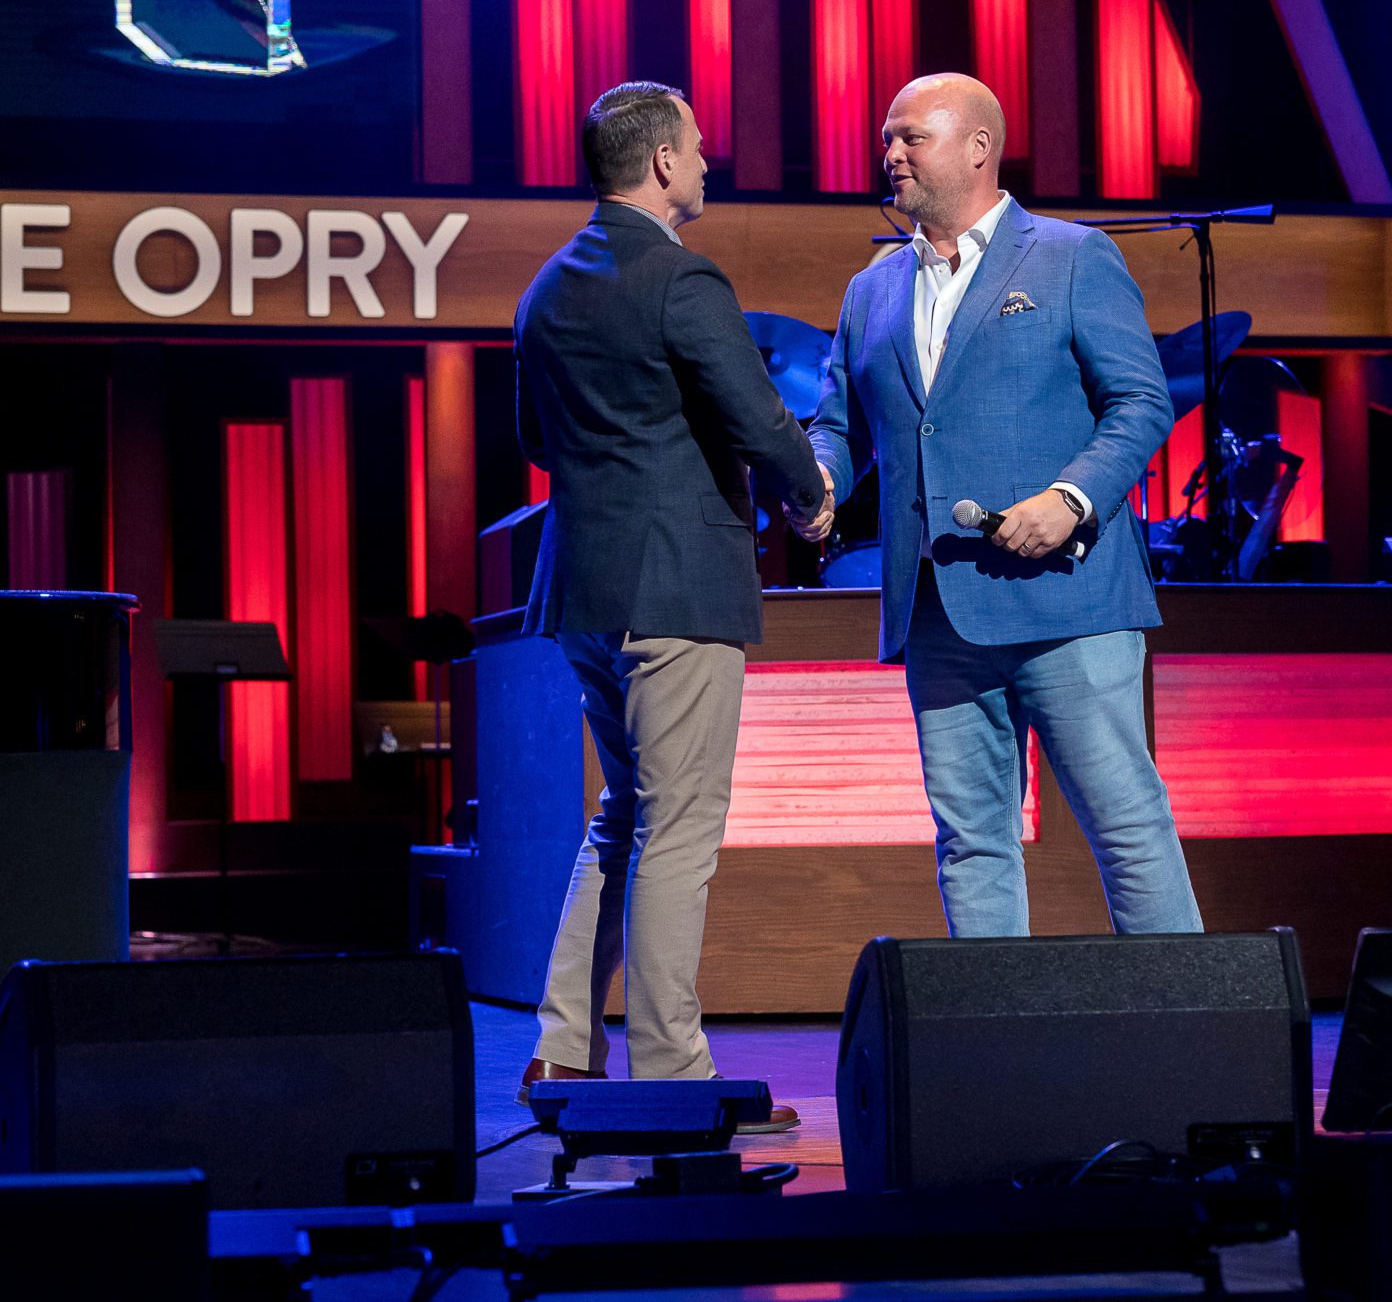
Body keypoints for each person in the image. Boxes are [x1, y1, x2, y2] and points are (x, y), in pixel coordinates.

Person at [798, 73, 1202, 937]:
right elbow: (837, 423)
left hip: (1070, 600)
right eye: (887, 139)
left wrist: (1071, 497)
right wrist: (821, 482)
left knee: (1125, 826)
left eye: (912, 137)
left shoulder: (1069, 255)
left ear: (979, 146)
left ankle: (1186, 1038)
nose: (891, 153)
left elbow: (1142, 402)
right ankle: (993, 1055)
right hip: (940, 610)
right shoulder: (870, 290)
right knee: (971, 841)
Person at [514, 80, 824, 1128]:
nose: (706, 163)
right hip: (676, 587)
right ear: (657, 164)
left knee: (626, 816)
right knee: (679, 830)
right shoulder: (684, 280)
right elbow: (761, 419)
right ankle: (672, 1080)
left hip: (584, 591)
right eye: (695, 149)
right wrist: (812, 494)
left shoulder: (547, 286)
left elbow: (532, 439)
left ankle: (561, 1050)